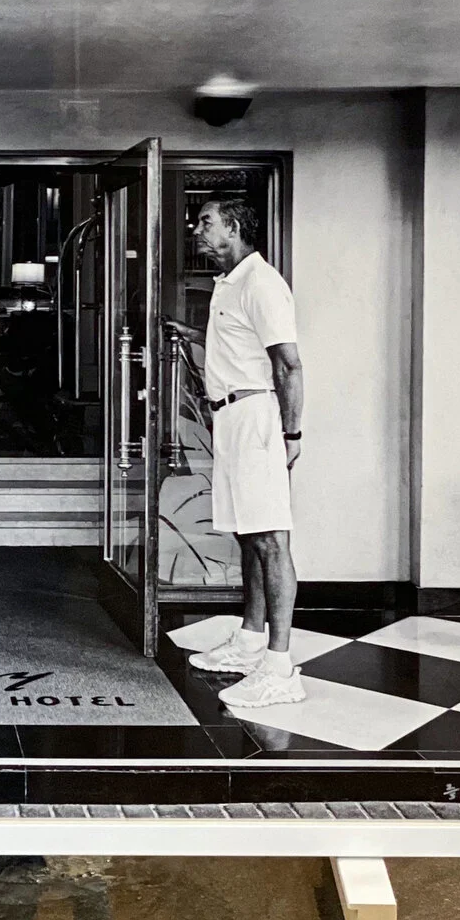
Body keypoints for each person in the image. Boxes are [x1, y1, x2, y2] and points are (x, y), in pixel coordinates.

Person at [168, 196, 306, 710]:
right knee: (250, 535)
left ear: (234, 227)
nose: (197, 230)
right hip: (231, 418)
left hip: (256, 420)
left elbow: (288, 365)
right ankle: (250, 642)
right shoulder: (231, 283)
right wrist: (191, 335)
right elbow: (240, 349)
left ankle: (280, 668)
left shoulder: (262, 283)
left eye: (206, 222)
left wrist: (291, 435)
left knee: (270, 539)